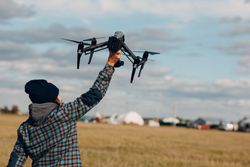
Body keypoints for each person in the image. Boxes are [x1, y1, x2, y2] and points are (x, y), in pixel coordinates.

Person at [7, 50, 121, 167]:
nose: (60, 97)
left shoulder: (24, 129)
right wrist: (110, 63)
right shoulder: (65, 114)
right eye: (57, 95)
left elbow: (15, 160)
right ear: (51, 98)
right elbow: (95, 94)